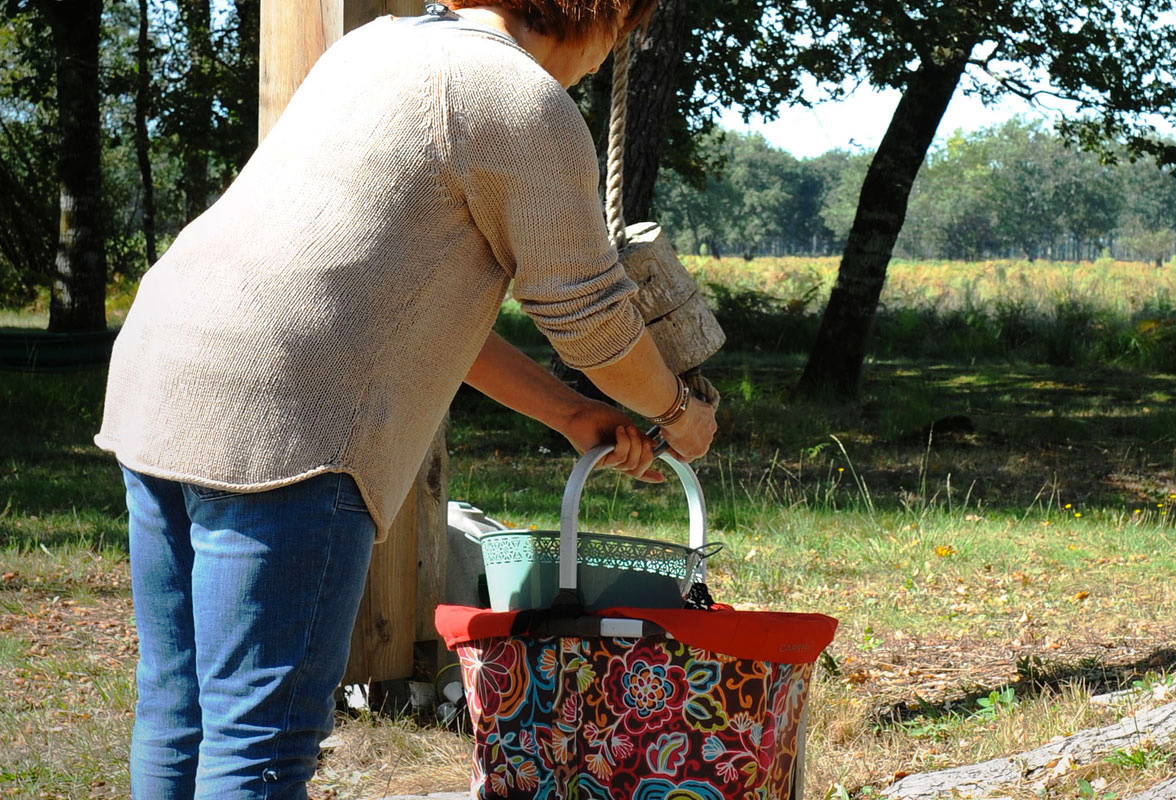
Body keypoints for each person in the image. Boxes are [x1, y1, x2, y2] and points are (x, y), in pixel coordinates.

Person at [93, 1, 717, 796]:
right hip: (287, 414)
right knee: (259, 739)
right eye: (619, 35)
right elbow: (591, 320)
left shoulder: (377, 49)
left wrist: (567, 413)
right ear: (598, 12)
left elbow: (415, 315)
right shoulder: (521, 100)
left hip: (164, 370)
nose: (603, 63)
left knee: (178, 710)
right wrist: (675, 414)